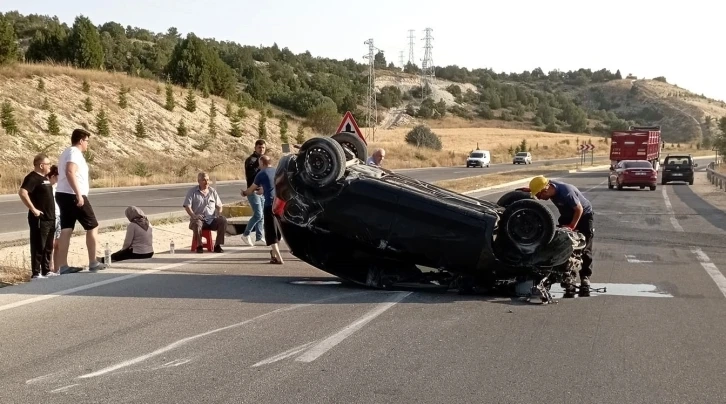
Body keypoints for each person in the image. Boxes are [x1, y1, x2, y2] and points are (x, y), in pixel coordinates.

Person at [527, 175, 594, 297]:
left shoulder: (565, 192)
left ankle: (585, 278)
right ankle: (567, 276)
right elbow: (541, 183)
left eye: (539, 195)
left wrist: (572, 226)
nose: (538, 198)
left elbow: (579, 209)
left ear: (545, 190)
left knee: (585, 248)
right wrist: (531, 190)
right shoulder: (549, 186)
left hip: (584, 215)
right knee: (562, 244)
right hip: (567, 214)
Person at [55, 128, 106, 274]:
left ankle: (63, 265)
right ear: (81, 140)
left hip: (63, 193)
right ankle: (93, 262)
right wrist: (78, 194)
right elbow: (70, 171)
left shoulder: (66, 152)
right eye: (87, 141)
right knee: (93, 226)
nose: (87, 145)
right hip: (72, 194)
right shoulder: (74, 153)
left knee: (66, 228)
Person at [17, 153, 57, 279]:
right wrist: (33, 209)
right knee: (39, 244)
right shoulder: (32, 178)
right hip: (40, 218)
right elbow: (22, 192)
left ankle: (46, 270)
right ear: (41, 165)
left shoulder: (45, 178)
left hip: (50, 217)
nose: (49, 166)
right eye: (48, 164)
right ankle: (36, 272)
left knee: (49, 245)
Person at [242, 155, 284, 264]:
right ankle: (274, 255)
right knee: (277, 231)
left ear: (262, 163)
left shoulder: (261, 174)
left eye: (259, 163)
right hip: (279, 205)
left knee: (270, 232)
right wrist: (263, 190)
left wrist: (244, 193)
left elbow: (251, 190)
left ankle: (279, 257)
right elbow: (274, 186)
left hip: (269, 205)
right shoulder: (277, 171)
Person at [183, 172, 227, 253]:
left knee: (223, 220)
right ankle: (199, 245)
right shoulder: (192, 192)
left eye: (207, 180)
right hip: (198, 219)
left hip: (211, 219)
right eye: (204, 180)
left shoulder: (212, 191)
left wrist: (219, 213)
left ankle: (217, 245)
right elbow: (187, 206)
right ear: (198, 181)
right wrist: (194, 215)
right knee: (197, 223)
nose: (206, 182)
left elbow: (219, 205)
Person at [241, 139, 266, 246]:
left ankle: (259, 236)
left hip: (262, 191)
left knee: (262, 215)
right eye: (259, 147)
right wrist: (259, 166)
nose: (261, 149)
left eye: (263, 147)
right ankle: (245, 235)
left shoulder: (263, 160)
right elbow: (251, 176)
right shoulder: (251, 160)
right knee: (258, 214)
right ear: (255, 148)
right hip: (253, 191)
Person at [47, 165, 62, 274]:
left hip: (59, 216)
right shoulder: (47, 187)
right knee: (51, 244)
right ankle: (49, 267)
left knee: (58, 244)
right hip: (51, 216)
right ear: (52, 176)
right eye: (57, 177)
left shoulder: (58, 187)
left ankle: (57, 268)